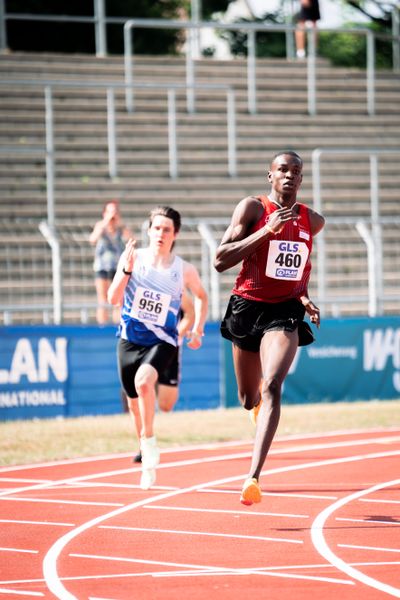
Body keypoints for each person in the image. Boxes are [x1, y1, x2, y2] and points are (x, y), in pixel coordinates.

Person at [214, 150, 325, 506]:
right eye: (283, 170)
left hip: (286, 312)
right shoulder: (253, 209)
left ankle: (253, 477)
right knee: (249, 398)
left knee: (273, 384)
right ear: (270, 176)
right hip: (247, 306)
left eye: (296, 171)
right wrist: (266, 231)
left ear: (302, 179)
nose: (290, 175)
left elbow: (297, 266)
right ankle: (256, 408)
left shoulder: (314, 220)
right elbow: (220, 260)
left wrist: (304, 296)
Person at [107, 205, 208, 490]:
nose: (161, 234)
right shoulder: (133, 259)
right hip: (128, 339)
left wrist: (197, 328)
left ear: (175, 234)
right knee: (134, 403)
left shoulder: (183, 269)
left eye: (167, 229)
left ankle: (149, 442)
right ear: (148, 230)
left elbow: (201, 296)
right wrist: (125, 269)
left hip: (163, 340)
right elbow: (113, 298)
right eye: (156, 228)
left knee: (144, 383)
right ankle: (145, 444)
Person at [129, 292, 195, 464]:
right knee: (137, 396)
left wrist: (176, 335)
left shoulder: (175, 283)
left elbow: (190, 312)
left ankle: (147, 435)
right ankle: (144, 444)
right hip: (139, 344)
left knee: (165, 405)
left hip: (167, 346)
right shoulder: (137, 281)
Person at [89, 200, 133, 325]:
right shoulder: (101, 226)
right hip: (102, 267)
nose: (113, 214)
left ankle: (117, 325)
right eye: (110, 211)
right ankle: (102, 326)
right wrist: (106, 222)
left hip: (118, 267)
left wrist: (121, 226)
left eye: (115, 211)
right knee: (102, 298)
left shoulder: (121, 228)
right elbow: (93, 239)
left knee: (118, 298)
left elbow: (131, 240)